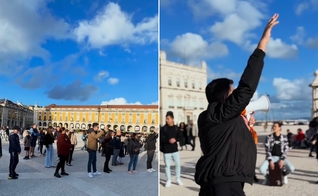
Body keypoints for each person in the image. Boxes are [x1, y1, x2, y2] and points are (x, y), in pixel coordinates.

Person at [194, 14, 279, 196]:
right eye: (232, 93)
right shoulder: (221, 113)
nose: (236, 96)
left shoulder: (214, 116)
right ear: (225, 96)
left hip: (222, 179)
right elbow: (247, 85)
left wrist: (244, 126)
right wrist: (263, 42)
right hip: (225, 181)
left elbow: (228, 141)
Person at [160, 111, 183, 187]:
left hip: (175, 150)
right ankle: (168, 179)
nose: (167, 120)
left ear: (172, 119)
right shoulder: (163, 129)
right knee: (167, 166)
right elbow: (161, 139)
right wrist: (168, 140)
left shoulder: (177, 128)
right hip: (166, 151)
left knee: (178, 165)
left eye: (168, 119)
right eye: (166, 119)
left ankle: (178, 178)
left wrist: (175, 139)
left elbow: (181, 137)